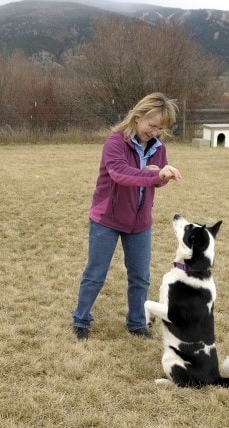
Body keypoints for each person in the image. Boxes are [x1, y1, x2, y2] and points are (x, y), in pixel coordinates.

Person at [72, 92, 181, 341]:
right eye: (151, 125)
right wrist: (153, 174)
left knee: (140, 277)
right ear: (137, 117)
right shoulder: (115, 142)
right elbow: (120, 174)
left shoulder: (159, 148)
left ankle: (136, 323)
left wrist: (162, 176)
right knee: (95, 274)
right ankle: (81, 318)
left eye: (161, 128)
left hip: (140, 223)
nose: (155, 131)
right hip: (106, 220)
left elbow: (155, 181)